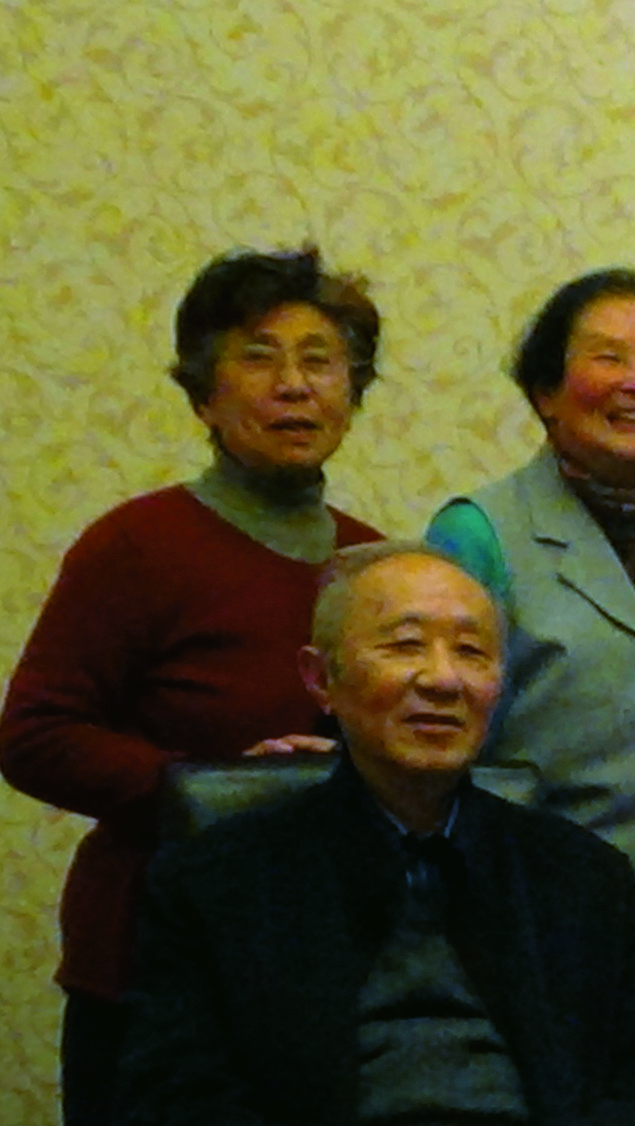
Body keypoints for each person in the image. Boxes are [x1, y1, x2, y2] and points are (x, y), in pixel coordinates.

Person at [115, 543, 635, 1124]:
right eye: (405, 645)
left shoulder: (582, 877)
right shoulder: (216, 882)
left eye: (471, 652)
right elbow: (174, 1096)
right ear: (320, 679)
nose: (443, 680)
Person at [0, 246, 385, 1125]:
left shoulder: (372, 561)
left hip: (315, 959)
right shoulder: (136, 545)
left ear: (352, 393)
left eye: (320, 360)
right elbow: (34, 735)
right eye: (259, 357)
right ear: (205, 395)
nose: (294, 385)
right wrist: (215, 791)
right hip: (149, 957)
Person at [426, 269, 635, 1019]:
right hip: (528, 944)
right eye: (609, 357)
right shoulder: (479, 534)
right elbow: (434, 754)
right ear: (545, 391)